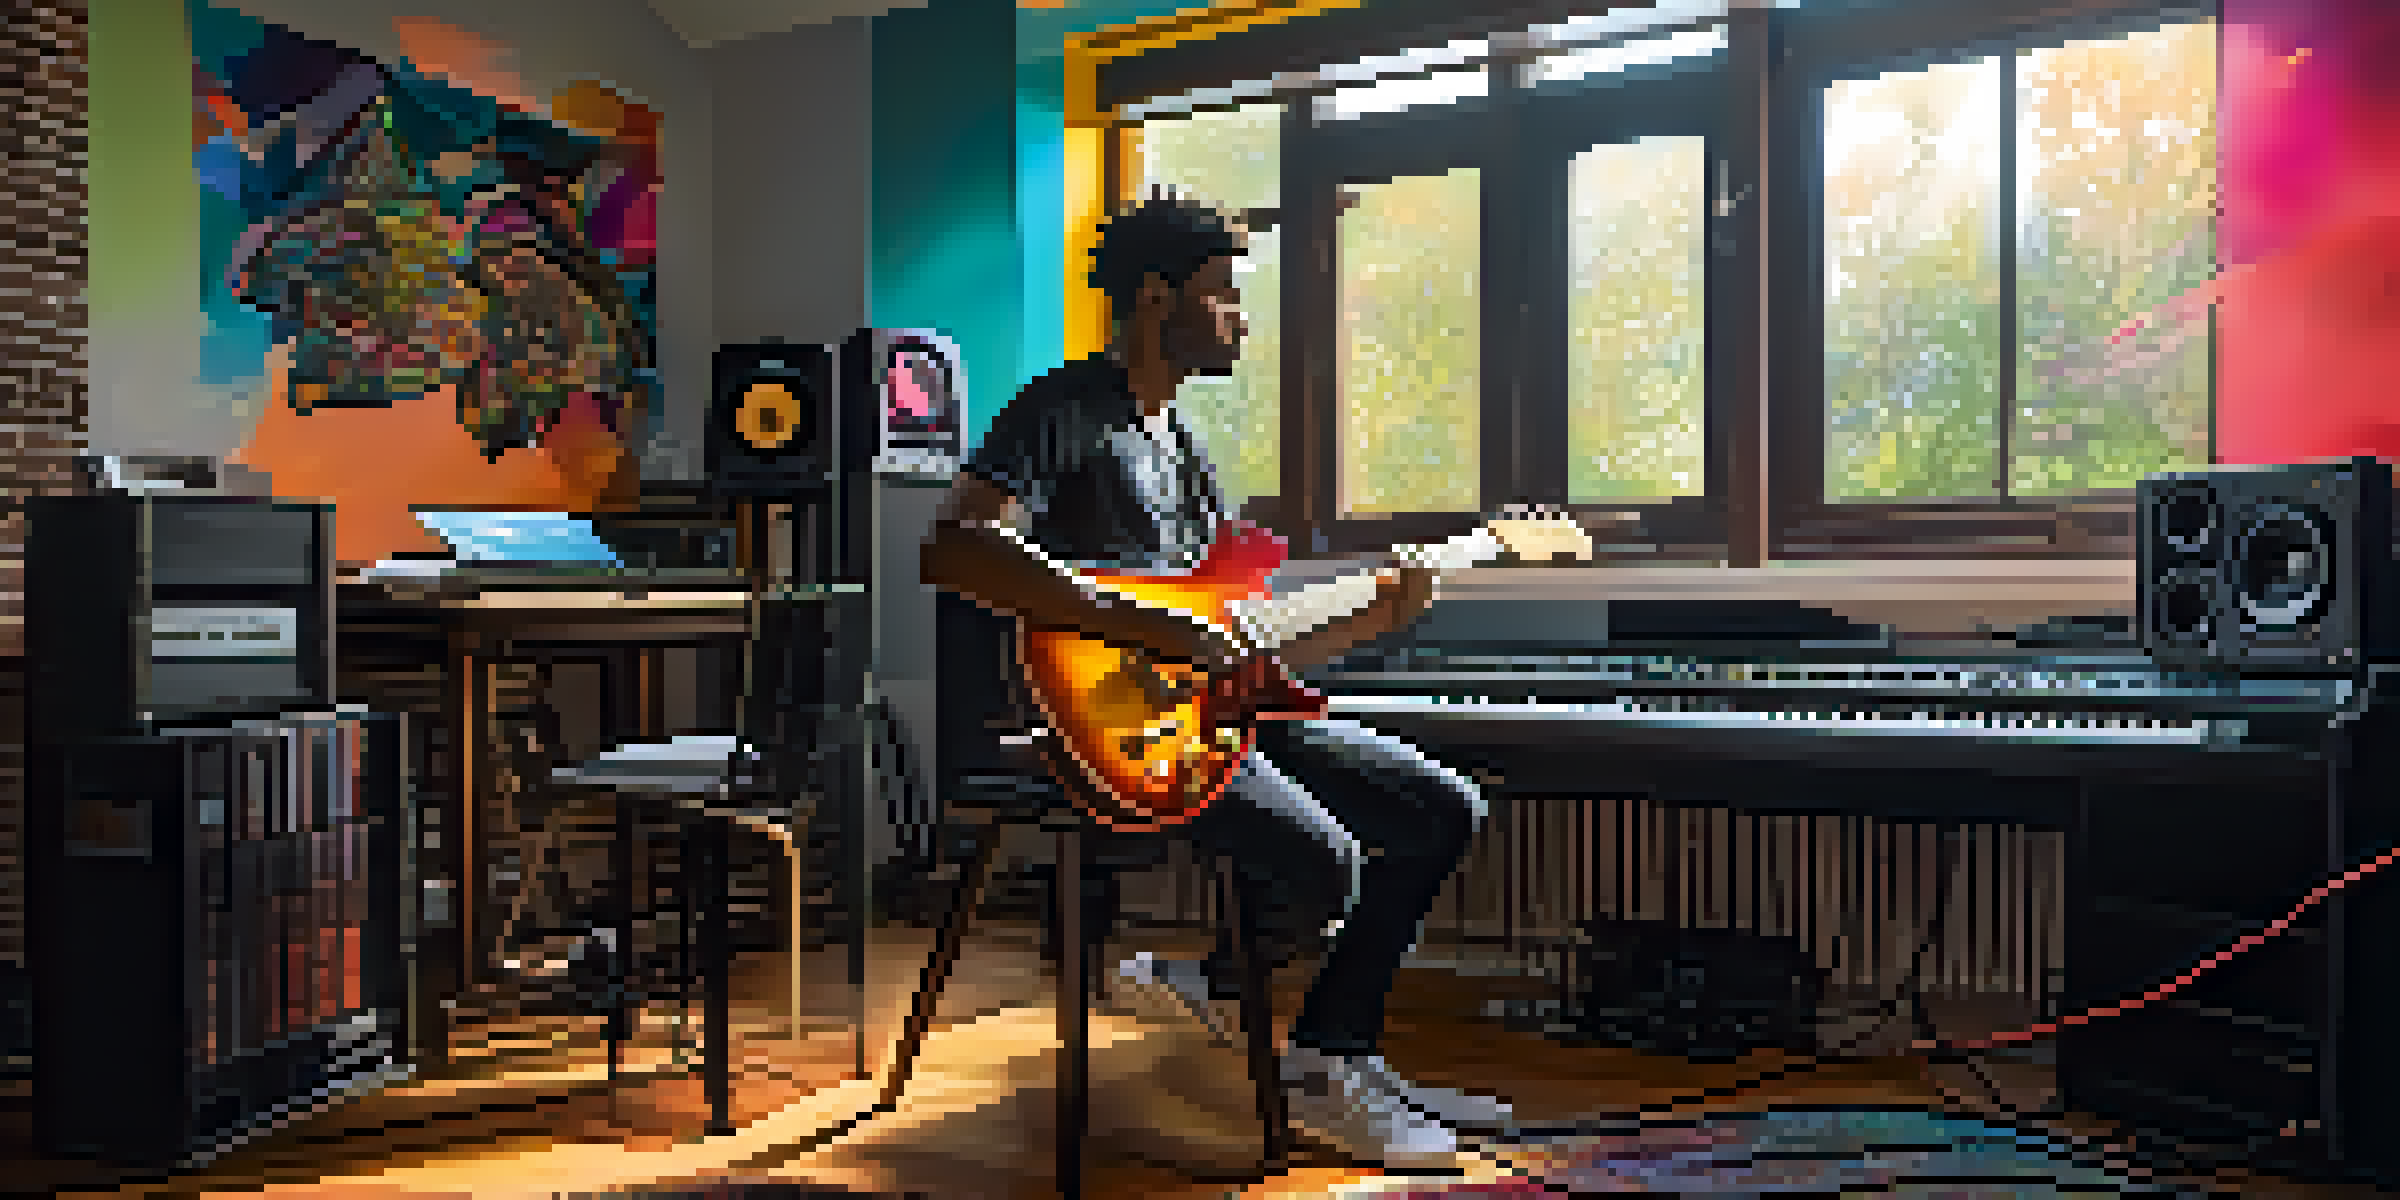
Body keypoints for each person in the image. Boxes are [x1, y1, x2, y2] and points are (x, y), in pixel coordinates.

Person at [920, 187, 1531, 1167]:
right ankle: (1239, 1004)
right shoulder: (1064, 408)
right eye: (1225, 295)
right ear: (1157, 298)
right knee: (1325, 859)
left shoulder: (1188, 451)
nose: (1241, 317)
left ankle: (1325, 1054)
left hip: (1214, 714)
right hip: (1100, 729)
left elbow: (1243, 643)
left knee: (1441, 809)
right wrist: (1129, 615)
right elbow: (955, 549)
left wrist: (1381, 617)